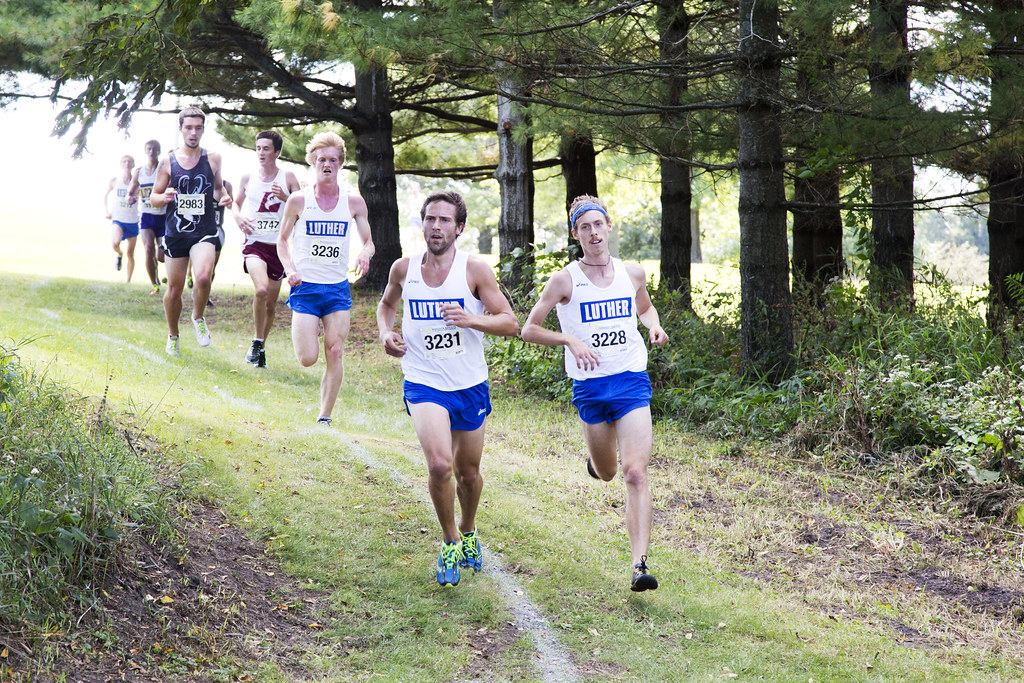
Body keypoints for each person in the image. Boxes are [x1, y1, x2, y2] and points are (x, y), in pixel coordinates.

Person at [521, 195, 668, 592]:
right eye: (584, 227)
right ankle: (596, 463)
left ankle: (639, 565)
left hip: (630, 380)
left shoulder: (632, 272)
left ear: (608, 226)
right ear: (576, 234)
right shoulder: (564, 280)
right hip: (590, 386)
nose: (593, 232)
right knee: (608, 472)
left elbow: (645, 308)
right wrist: (569, 339)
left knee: (635, 472)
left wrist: (653, 326)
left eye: (598, 224)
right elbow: (529, 329)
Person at [376, 191, 518, 587]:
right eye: (430, 219)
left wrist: (472, 320)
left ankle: (468, 528)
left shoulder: (474, 270)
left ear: (459, 228)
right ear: (422, 224)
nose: (436, 226)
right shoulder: (404, 269)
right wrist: (386, 332)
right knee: (440, 466)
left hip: (468, 383)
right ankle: (450, 540)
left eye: (444, 220)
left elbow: (509, 322)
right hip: (423, 380)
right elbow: (386, 306)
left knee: (468, 474)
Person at [277, 132, 374, 423]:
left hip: (336, 289)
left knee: (335, 350)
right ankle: (309, 332)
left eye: (333, 160)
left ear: (340, 164)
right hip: (305, 287)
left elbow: (369, 242)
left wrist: (364, 253)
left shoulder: (353, 202)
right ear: (313, 162)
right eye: (322, 160)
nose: (327, 164)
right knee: (308, 358)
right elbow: (281, 241)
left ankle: (325, 416)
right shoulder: (298, 201)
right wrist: (290, 269)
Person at [149, 106, 233, 356]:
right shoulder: (168, 161)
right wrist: (164, 196)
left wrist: (224, 196)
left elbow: (217, 188)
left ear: (203, 130)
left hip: (204, 230)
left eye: (198, 128)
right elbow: (154, 197)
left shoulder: (213, 158)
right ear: (180, 129)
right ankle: (173, 335)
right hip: (176, 232)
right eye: (189, 128)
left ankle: (198, 317)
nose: (193, 133)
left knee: (204, 277)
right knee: (174, 290)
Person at [234, 131, 301, 368]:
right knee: (261, 289)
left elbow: (302, 211)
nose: (261, 153)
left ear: (277, 152)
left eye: (266, 148)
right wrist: (238, 217)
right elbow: (235, 204)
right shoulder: (248, 177)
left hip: (278, 249)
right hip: (254, 244)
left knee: (271, 305)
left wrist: (285, 197)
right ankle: (256, 340)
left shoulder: (288, 177)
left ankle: (261, 347)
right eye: (258, 148)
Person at [128, 140, 167, 295]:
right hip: (147, 216)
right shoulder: (140, 172)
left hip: (163, 216)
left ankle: (167, 274)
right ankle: (154, 284)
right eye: (149, 149)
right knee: (148, 248)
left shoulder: (163, 169)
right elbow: (131, 191)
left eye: (155, 149)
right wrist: (130, 197)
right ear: (145, 151)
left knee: (161, 255)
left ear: (159, 151)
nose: (152, 152)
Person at [104, 155, 139, 283]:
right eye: (124, 161)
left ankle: (128, 281)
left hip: (132, 220)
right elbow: (105, 195)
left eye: (129, 161)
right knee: (115, 243)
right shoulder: (115, 181)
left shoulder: (137, 183)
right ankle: (119, 254)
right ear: (121, 164)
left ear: (133, 164)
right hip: (118, 218)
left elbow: (143, 197)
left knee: (130, 253)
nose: (127, 163)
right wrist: (107, 211)